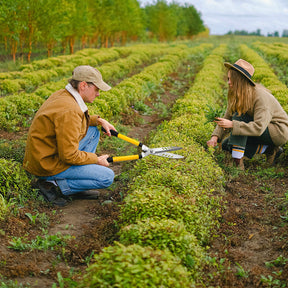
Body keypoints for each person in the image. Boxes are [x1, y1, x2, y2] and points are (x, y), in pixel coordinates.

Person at [23, 65, 116, 206]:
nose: (98, 94)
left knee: (93, 132)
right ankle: (53, 184)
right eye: (96, 89)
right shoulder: (70, 110)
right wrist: (96, 159)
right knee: (107, 177)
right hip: (47, 163)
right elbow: (68, 155)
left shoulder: (64, 95)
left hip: (44, 153)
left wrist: (98, 120)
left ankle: (73, 181)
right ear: (84, 85)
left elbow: (76, 121)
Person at [207, 59, 288, 170]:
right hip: (260, 129)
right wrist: (214, 137)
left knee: (239, 117)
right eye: (228, 79)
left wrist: (233, 125)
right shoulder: (237, 94)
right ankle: (270, 150)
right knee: (227, 145)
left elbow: (259, 127)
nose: (228, 82)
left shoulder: (260, 97)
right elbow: (227, 117)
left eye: (231, 79)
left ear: (239, 81)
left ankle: (238, 165)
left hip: (277, 131)